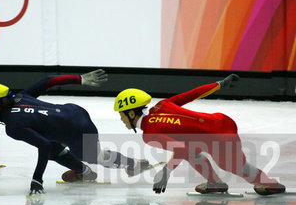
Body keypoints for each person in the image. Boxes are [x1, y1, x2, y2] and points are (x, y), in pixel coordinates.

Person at [0, 70, 149, 195]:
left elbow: (44, 146)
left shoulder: (12, 126)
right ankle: (83, 171)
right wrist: (79, 79)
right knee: (53, 145)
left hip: (77, 131)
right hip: (75, 112)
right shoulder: (21, 97)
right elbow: (49, 81)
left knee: (93, 156)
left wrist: (37, 180)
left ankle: (132, 164)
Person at [113, 74, 286, 196]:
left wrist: (166, 172)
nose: (121, 119)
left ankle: (271, 184)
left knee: (236, 167)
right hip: (222, 121)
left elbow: (180, 149)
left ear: (131, 113)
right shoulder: (161, 105)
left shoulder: (149, 134)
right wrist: (220, 84)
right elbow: (192, 94)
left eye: (121, 114)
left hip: (218, 138)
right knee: (193, 153)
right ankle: (215, 183)